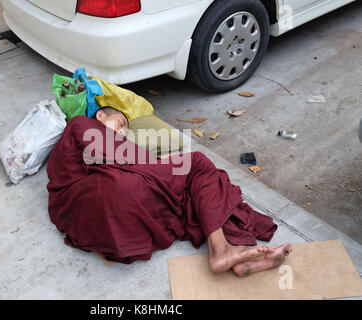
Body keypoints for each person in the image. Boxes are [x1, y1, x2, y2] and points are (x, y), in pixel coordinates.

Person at [47, 107, 292, 277]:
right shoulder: (81, 123)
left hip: (84, 218)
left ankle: (233, 257)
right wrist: (157, 165)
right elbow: (115, 156)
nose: (121, 134)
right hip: (98, 195)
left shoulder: (116, 142)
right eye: (120, 124)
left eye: (125, 132)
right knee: (197, 166)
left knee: (191, 189)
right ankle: (221, 248)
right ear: (100, 114)